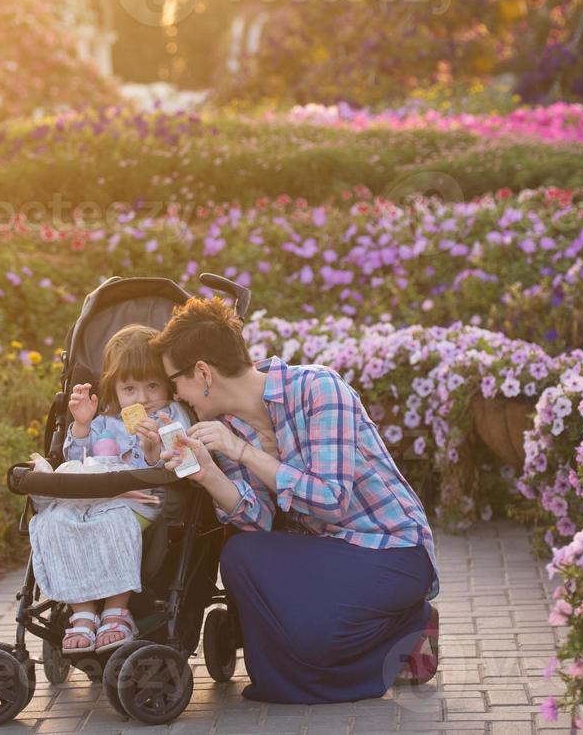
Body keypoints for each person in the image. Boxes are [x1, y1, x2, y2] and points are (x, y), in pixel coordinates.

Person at [146, 296, 440, 703]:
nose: (178, 397)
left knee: (313, 637)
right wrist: (208, 474)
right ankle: (383, 638)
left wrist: (244, 452)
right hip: (326, 555)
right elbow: (259, 524)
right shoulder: (223, 428)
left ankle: (409, 624)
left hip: (390, 549)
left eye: (175, 381)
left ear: (203, 372)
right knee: (241, 554)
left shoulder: (318, 389)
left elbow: (331, 500)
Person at [28, 324, 192, 653]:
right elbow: (77, 461)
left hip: (142, 498)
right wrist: (83, 425)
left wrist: (151, 448)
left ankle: (118, 611)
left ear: (168, 385)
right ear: (114, 390)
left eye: (152, 386)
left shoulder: (170, 416)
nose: (142, 398)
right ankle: (83, 612)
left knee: (113, 521)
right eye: (129, 389)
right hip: (93, 496)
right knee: (56, 521)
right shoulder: (106, 421)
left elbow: (178, 463)